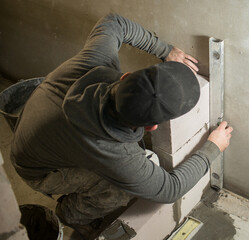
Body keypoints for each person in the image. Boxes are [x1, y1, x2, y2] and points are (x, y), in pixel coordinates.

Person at [10, 14, 233, 239]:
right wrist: (212, 148)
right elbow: (170, 189)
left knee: (133, 172)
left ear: (126, 77)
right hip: (38, 168)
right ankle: (71, 214)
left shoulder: (95, 60)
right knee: (120, 189)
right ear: (152, 127)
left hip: (33, 131)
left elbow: (114, 22)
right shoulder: (116, 155)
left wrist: (165, 50)